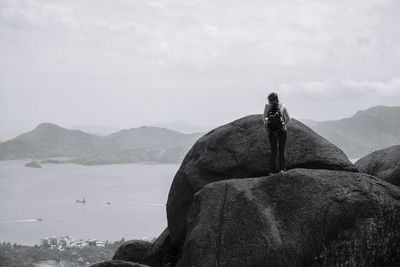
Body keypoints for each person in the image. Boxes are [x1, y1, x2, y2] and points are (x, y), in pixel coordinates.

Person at [263, 92, 291, 174]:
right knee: (281, 150)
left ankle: (272, 171)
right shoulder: (283, 106)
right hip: (282, 131)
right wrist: (283, 126)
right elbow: (289, 119)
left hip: (271, 131)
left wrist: (268, 129)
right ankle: (282, 169)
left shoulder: (267, 106)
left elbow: (264, 120)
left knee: (273, 151)